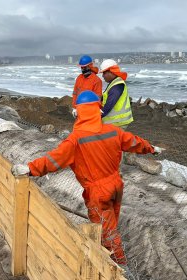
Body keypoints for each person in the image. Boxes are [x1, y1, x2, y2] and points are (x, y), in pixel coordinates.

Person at [12, 90, 163, 265]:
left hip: (98, 192)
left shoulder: (75, 139)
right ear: (98, 111)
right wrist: (152, 148)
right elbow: (135, 142)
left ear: (77, 113)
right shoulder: (113, 131)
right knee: (110, 224)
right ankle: (106, 255)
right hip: (116, 185)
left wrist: (30, 169)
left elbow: (53, 160)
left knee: (107, 232)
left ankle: (119, 268)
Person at [99, 59, 133, 129]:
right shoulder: (113, 83)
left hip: (118, 122)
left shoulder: (117, 85)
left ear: (111, 72)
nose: (103, 76)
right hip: (115, 122)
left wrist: (96, 116)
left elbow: (109, 104)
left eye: (104, 73)